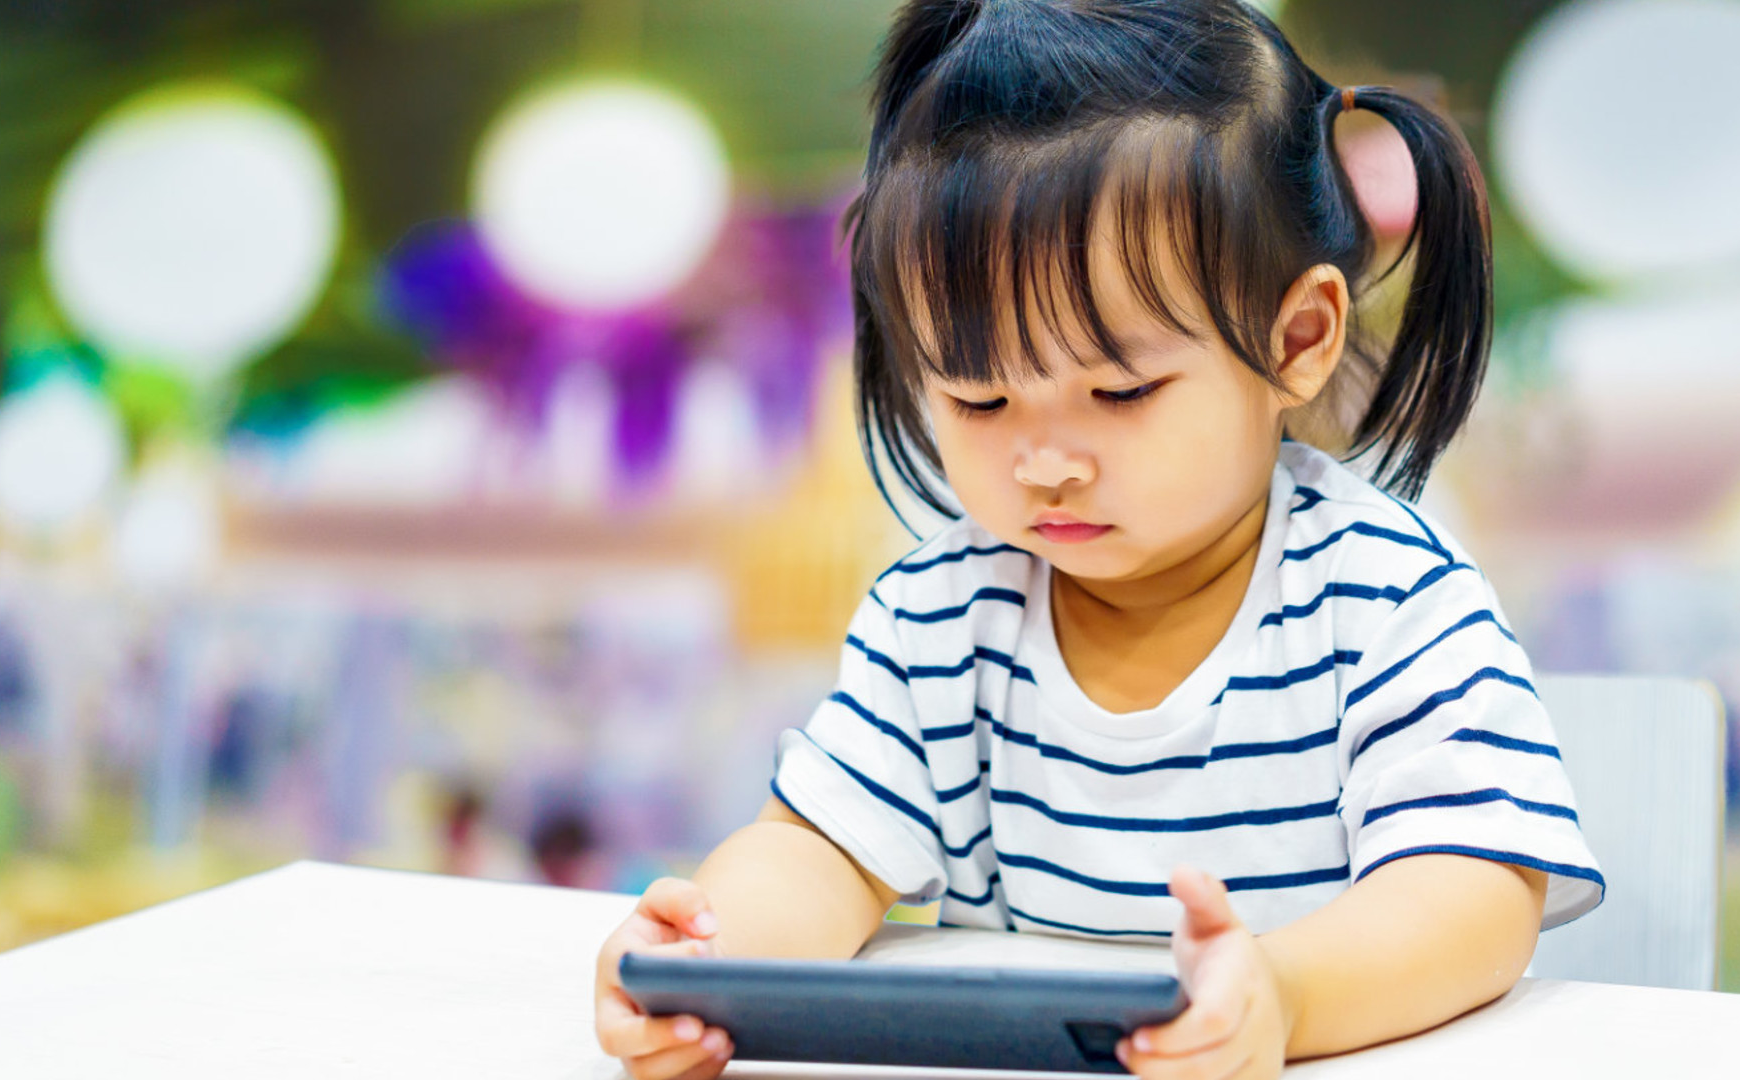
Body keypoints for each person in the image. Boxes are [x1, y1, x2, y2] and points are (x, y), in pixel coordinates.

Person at [595, 2, 1604, 1078]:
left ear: (1298, 338)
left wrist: (1282, 999)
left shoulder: (1388, 600)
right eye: (979, 401)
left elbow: (1474, 890)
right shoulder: (939, 618)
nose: (1044, 462)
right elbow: (816, 850)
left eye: (1118, 391)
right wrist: (708, 960)